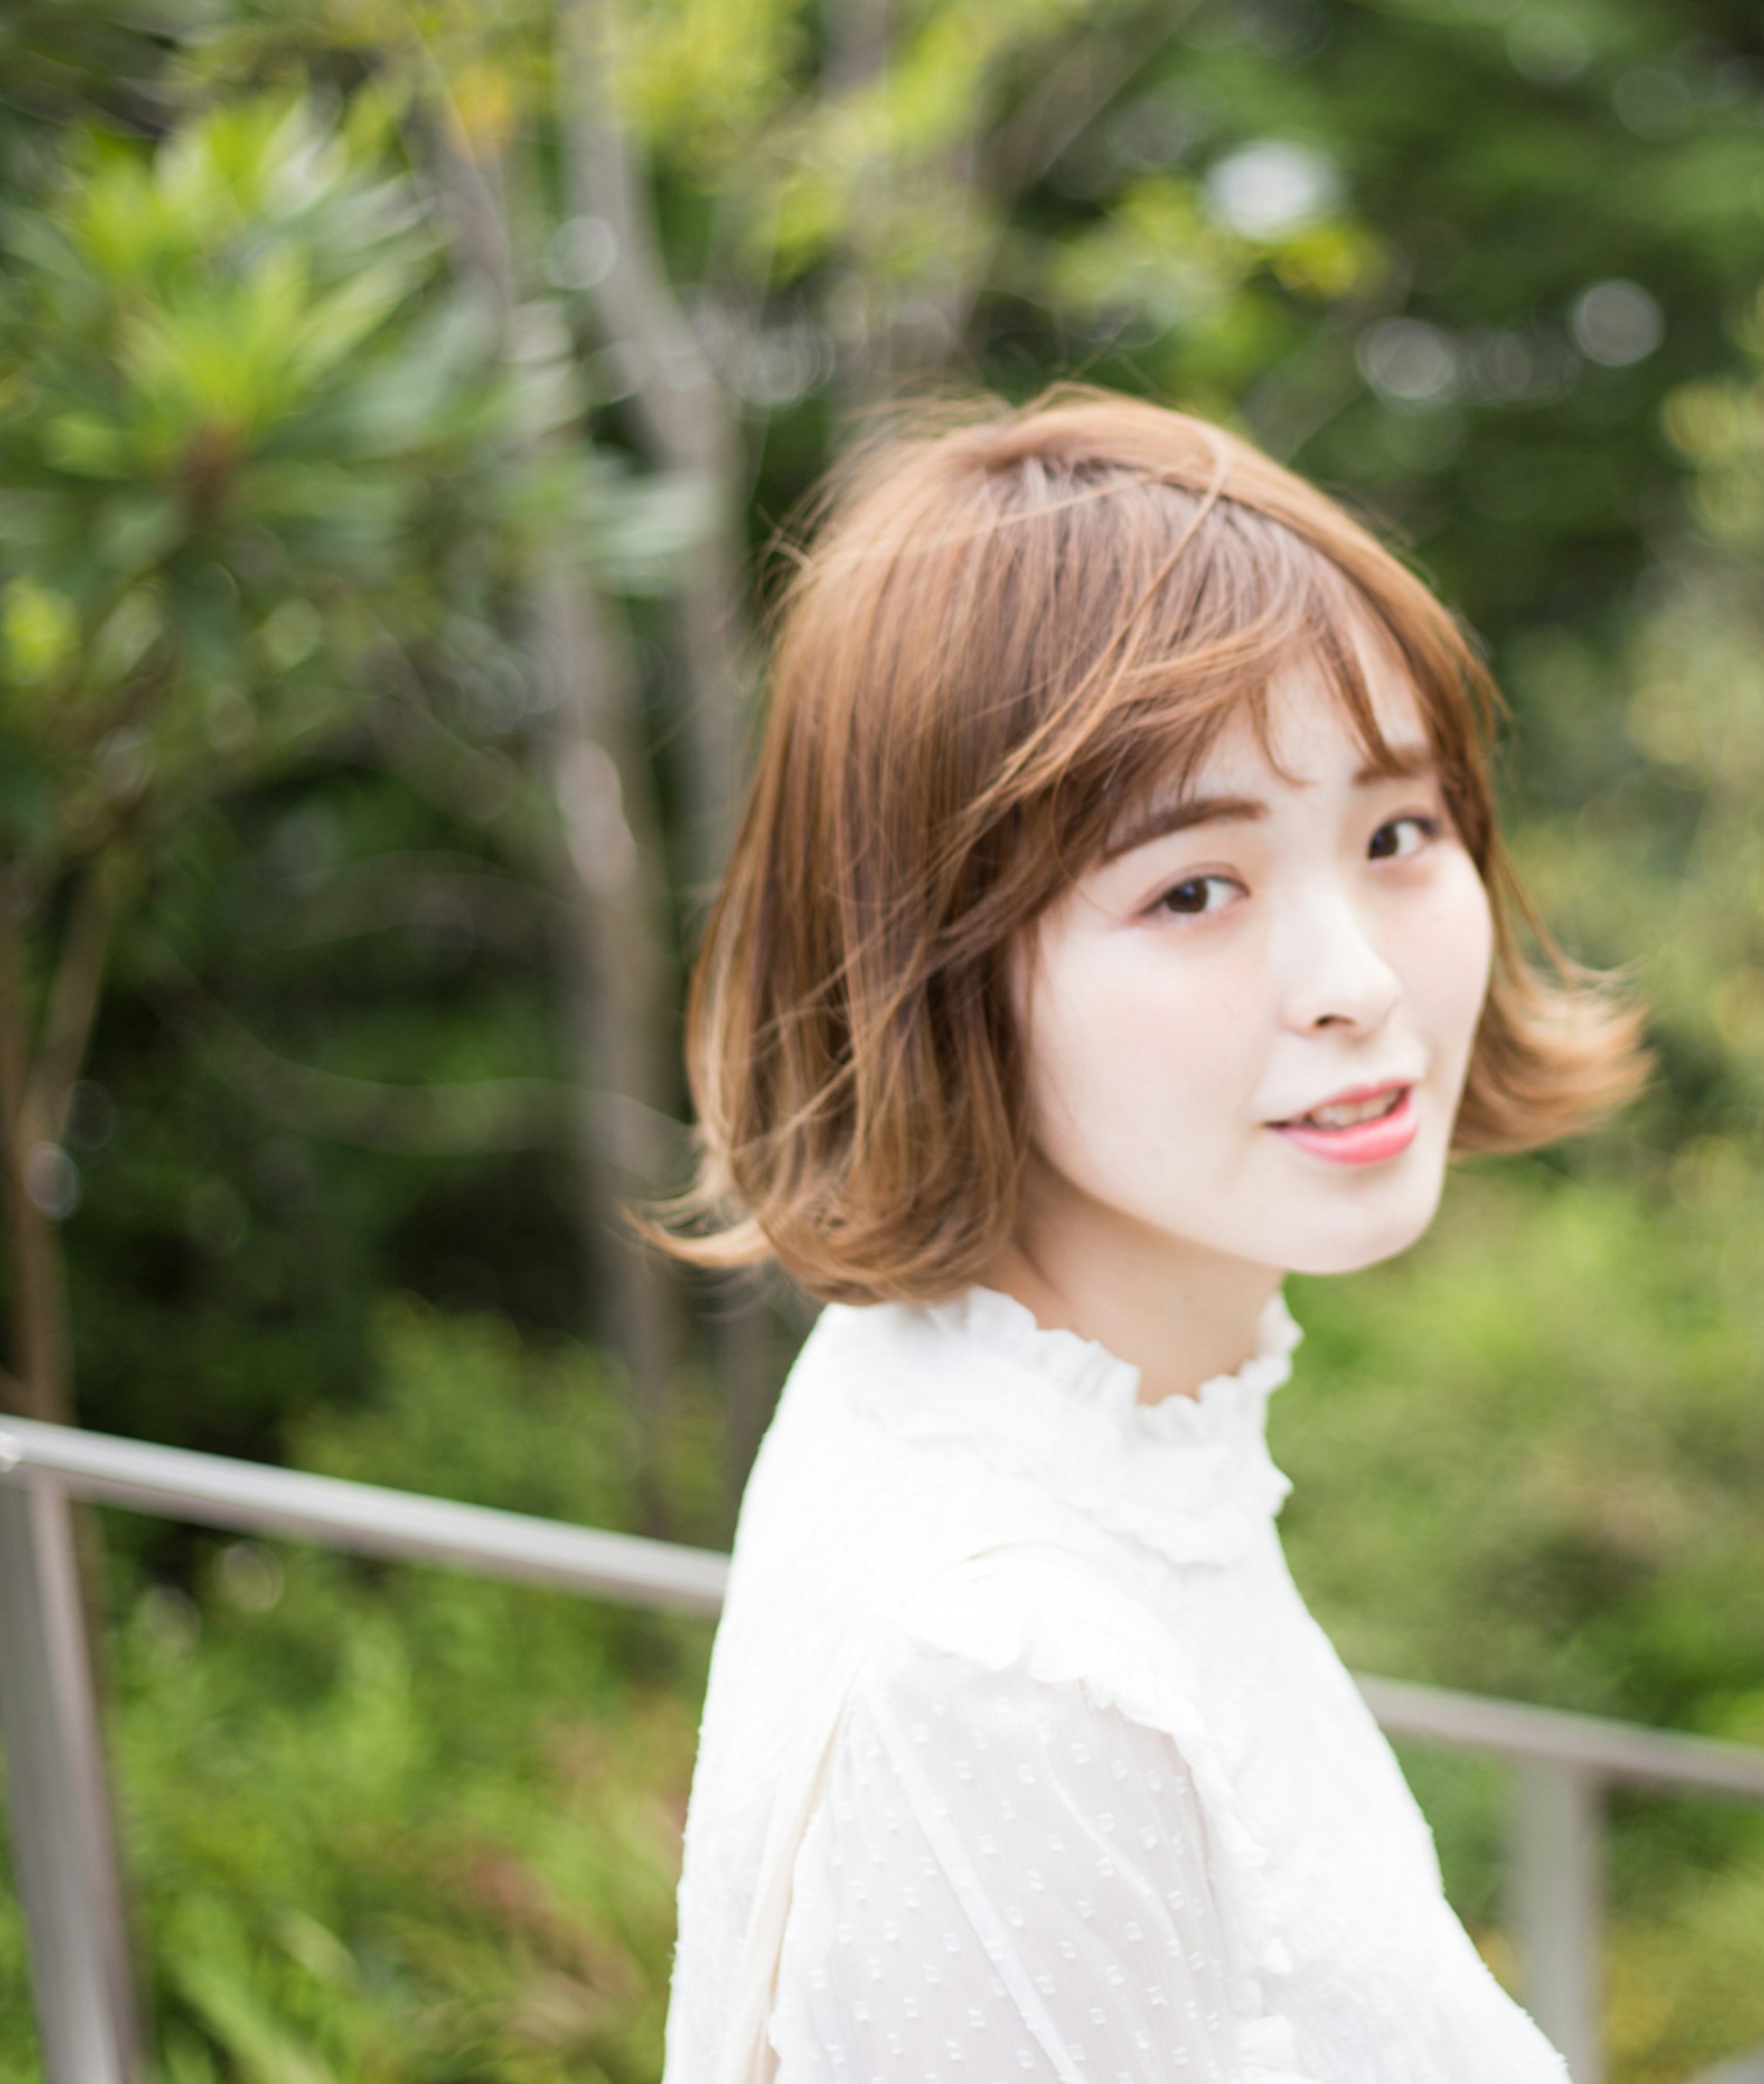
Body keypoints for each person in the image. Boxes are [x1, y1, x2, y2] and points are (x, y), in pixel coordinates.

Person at [656, 387, 1646, 2083]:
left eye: (1397, 835)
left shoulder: (1048, 1415)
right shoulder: (1009, 1677)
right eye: (1194, 888)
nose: (1354, 983)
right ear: (935, 974)